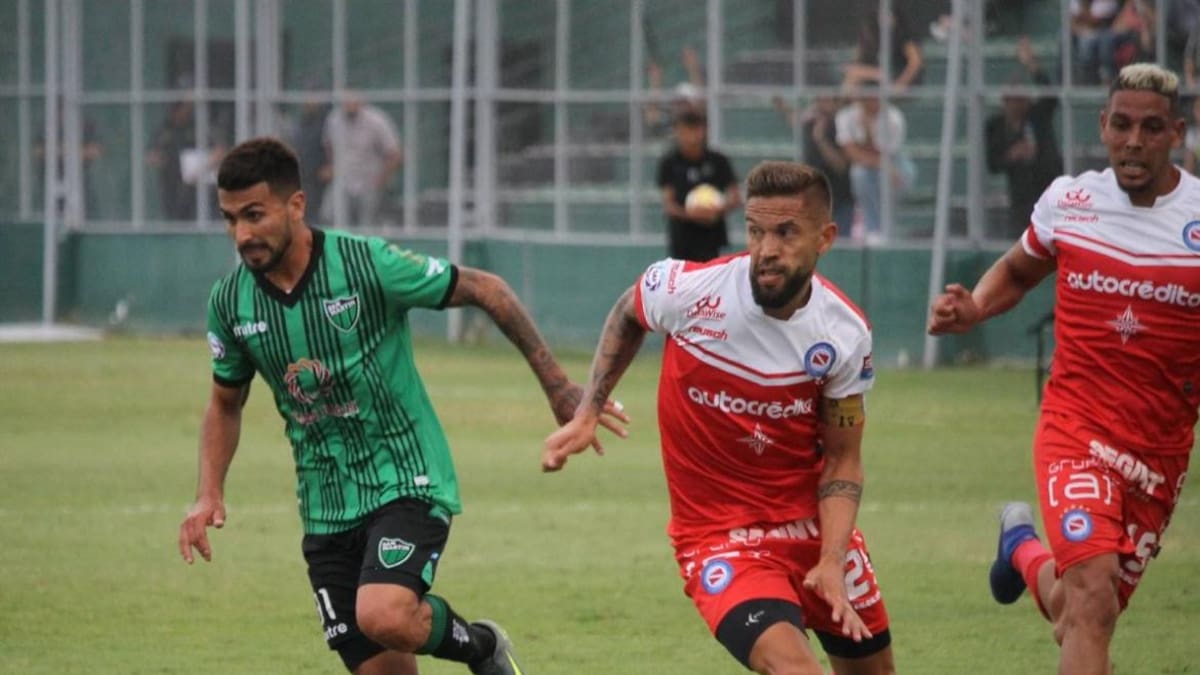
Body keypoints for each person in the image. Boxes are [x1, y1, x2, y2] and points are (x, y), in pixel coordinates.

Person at [178, 137, 627, 675]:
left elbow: (489, 289)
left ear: (295, 205)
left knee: (385, 613)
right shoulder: (229, 302)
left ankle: (481, 647)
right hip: (324, 502)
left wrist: (558, 388)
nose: (243, 234)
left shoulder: (366, 264)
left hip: (406, 476)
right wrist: (208, 493)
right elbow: (225, 403)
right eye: (230, 219)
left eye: (255, 215)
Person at [544, 161, 895, 675]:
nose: (766, 250)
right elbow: (628, 310)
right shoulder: (691, 291)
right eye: (755, 232)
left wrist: (833, 560)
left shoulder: (844, 333)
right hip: (720, 540)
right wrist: (587, 410)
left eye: (785, 233)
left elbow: (843, 460)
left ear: (826, 238)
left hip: (814, 534)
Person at [928, 63, 1200, 675]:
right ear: (1102, 127)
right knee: (1092, 597)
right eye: (1123, 125)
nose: (1134, 141)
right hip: (1074, 429)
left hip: (1158, 451)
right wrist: (974, 307)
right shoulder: (1070, 201)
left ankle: (1020, 546)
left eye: (1152, 128)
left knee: (1077, 609)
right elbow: (1019, 271)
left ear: (1176, 132)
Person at [986, 38, 1064, 238]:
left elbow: (1050, 96)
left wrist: (1032, 64)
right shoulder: (996, 125)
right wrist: (1012, 155)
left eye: (1021, 98)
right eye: (1011, 99)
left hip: (1046, 189)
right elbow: (993, 163)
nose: (1017, 104)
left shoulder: (1037, 116)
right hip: (1020, 197)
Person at [655, 109, 742, 262]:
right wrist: (692, 214)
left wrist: (716, 210)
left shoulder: (718, 161)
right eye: (686, 130)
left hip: (713, 238)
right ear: (678, 132)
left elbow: (735, 197)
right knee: (682, 284)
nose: (691, 136)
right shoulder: (669, 162)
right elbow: (668, 205)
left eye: (695, 129)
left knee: (713, 282)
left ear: (704, 131)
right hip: (682, 240)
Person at [836, 79, 915, 243]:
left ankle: (889, 228)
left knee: (904, 173)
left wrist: (887, 166)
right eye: (866, 98)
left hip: (893, 159)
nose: (871, 102)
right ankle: (873, 230)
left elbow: (885, 153)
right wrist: (866, 133)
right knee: (860, 175)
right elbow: (851, 152)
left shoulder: (893, 117)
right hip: (869, 165)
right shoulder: (846, 116)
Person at [774, 94, 855, 234]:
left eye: (827, 100)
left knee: (840, 239)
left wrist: (821, 139)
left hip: (839, 197)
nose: (822, 105)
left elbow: (840, 165)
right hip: (813, 197)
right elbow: (796, 120)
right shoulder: (811, 121)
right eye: (820, 101)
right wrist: (783, 107)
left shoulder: (841, 125)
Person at [322, 95, 403, 227]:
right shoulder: (334, 119)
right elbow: (328, 144)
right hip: (343, 179)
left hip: (369, 181)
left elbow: (395, 153)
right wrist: (332, 166)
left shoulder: (377, 120)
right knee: (329, 215)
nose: (349, 104)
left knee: (367, 225)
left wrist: (382, 179)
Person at [843, 5, 924, 94]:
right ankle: (846, 104)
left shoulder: (903, 37)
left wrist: (900, 84)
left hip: (896, 79)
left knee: (856, 73)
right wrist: (875, 73)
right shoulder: (872, 36)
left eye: (888, 15)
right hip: (877, 79)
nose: (885, 19)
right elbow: (857, 61)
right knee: (853, 75)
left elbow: (916, 62)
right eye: (881, 15)